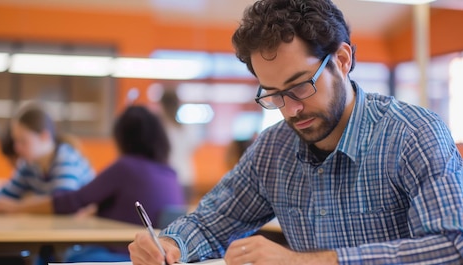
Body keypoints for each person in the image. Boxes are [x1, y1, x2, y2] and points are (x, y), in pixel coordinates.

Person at [128, 0, 463, 264]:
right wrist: (170, 245)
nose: (290, 109)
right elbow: (210, 223)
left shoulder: (414, 135)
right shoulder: (274, 148)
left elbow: (453, 247)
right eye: (272, 93)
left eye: (300, 86)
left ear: (342, 60)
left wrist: (312, 262)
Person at [0, 105, 186, 262]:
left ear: (121, 138)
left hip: (122, 255)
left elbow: (72, 201)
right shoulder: (170, 174)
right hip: (154, 258)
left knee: (58, 258)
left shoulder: (126, 167)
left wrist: (16, 208)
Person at [0, 102, 95, 212]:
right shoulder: (29, 165)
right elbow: (7, 195)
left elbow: (61, 205)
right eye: (15, 141)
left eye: (23, 141)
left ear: (44, 136)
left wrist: (17, 207)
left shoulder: (66, 159)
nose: (16, 148)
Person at [158, 88, 201, 203]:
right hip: (186, 177)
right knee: (182, 216)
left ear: (161, 105)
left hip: (167, 179)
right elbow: (192, 148)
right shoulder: (187, 129)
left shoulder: (161, 129)